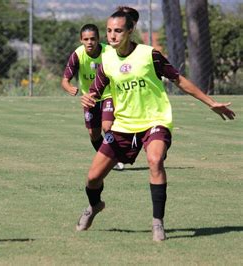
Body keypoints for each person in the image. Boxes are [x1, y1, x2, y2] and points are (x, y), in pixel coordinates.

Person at [76, 10, 235, 241]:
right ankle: (95, 205)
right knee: (92, 179)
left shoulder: (149, 55)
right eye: (109, 30)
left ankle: (157, 222)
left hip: (155, 120)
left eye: (118, 30)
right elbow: (97, 89)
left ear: (130, 31)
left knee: (155, 160)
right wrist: (89, 97)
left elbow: (178, 80)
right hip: (123, 125)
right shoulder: (107, 58)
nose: (112, 35)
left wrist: (210, 103)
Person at [61, 24, 124, 170]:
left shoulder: (110, 52)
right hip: (89, 98)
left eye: (93, 39)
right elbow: (65, 80)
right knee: (93, 134)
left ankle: (115, 157)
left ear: (98, 39)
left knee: (107, 126)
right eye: (86, 39)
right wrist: (69, 88)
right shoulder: (77, 55)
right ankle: (108, 159)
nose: (90, 42)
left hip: (109, 95)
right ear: (81, 40)